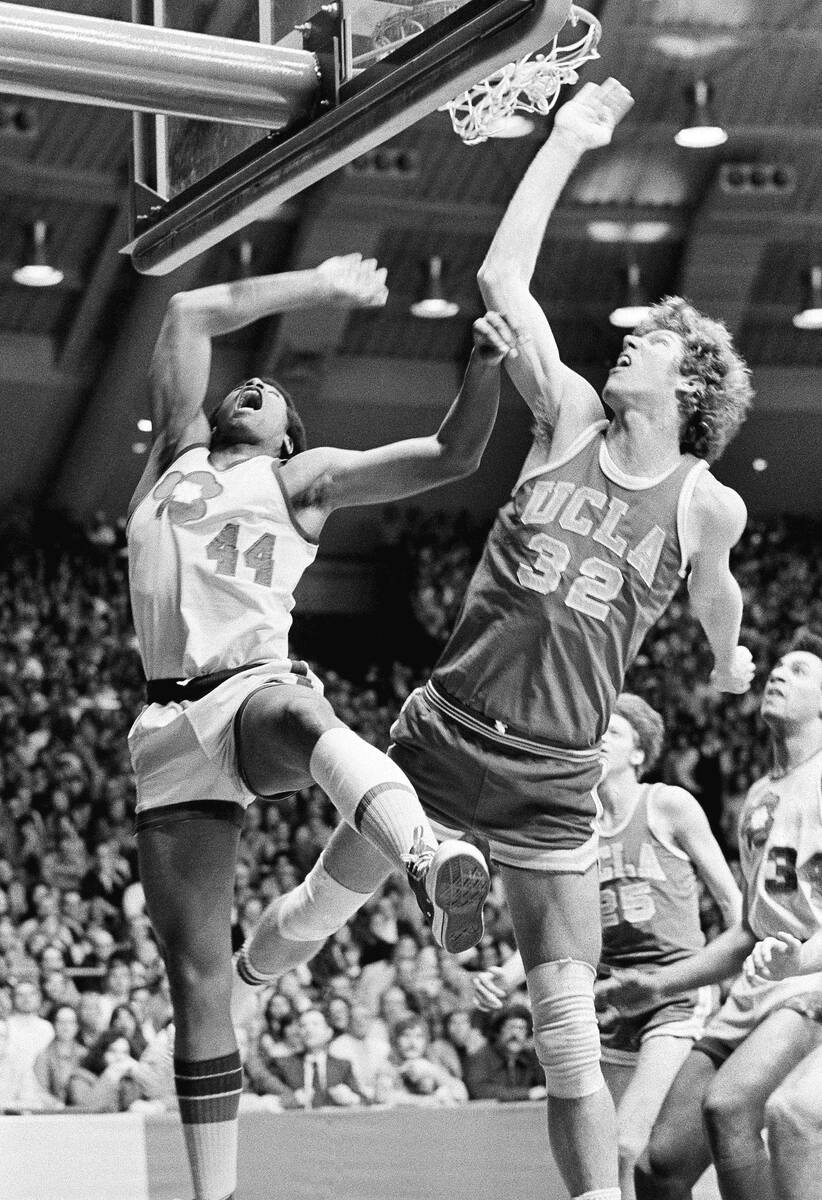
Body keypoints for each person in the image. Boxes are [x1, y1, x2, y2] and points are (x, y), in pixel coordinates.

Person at [238, 79, 755, 1200]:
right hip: (444, 733)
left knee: (566, 1033)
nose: (626, 344)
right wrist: (567, 137)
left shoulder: (706, 503)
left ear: (693, 381)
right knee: (321, 908)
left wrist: (726, 659)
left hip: (554, 780)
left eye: (650, 343)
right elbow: (502, 283)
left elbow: (717, 596)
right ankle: (241, 983)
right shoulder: (568, 416)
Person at [127, 253, 516, 1200]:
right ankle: (215, 1193)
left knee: (302, 712)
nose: (251, 386)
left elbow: (452, 456)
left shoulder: (302, 480)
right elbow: (187, 311)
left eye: (271, 396)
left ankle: (426, 859)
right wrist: (320, 284)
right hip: (164, 727)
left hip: (249, 689)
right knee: (197, 978)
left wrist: (484, 367)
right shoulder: (173, 456)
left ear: (290, 437)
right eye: (245, 385)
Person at [473, 692, 742, 1199]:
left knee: (625, 1145)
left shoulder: (667, 804)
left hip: (674, 989)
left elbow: (733, 902)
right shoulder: (575, 827)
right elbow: (557, 923)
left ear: (639, 753)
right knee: (608, 1155)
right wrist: (504, 976)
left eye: (613, 732)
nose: (599, 740)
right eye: (597, 731)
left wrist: (737, 976)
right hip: (612, 999)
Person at [599, 632, 822, 1200]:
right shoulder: (759, 797)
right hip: (758, 983)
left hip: (810, 978)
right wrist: (658, 984)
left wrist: (800, 959)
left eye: (799, 670)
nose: (778, 674)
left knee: (729, 1107)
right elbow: (749, 929)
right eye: (777, 667)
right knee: (660, 1166)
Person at [463, 1004, 546, 1103]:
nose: (515, 1034)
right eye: (510, 1027)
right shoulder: (480, 1057)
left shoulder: (531, 1057)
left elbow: (546, 1086)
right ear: (498, 1031)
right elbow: (479, 1090)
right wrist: (526, 1094)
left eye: (521, 1028)